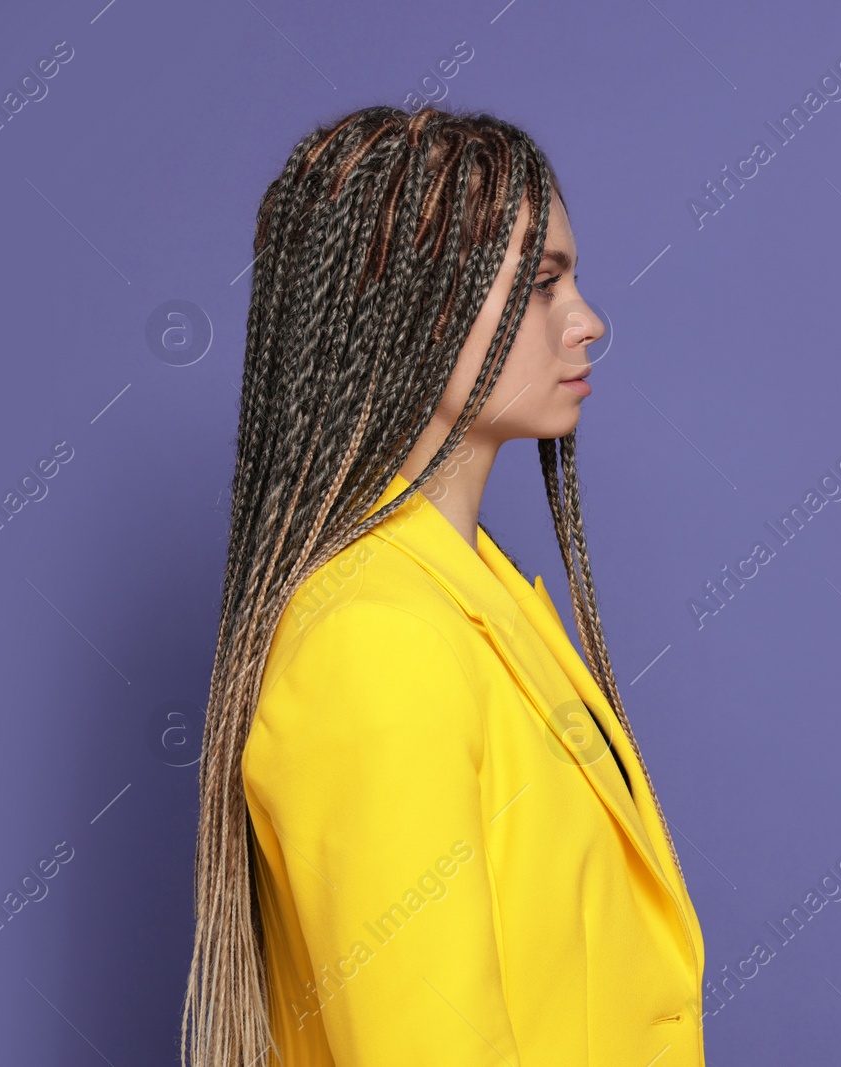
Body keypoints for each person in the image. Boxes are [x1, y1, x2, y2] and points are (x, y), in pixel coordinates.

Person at [181, 104, 705, 1066]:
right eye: (543, 285)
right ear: (411, 304)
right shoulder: (374, 641)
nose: (587, 321)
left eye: (573, 280)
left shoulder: (476, 594)